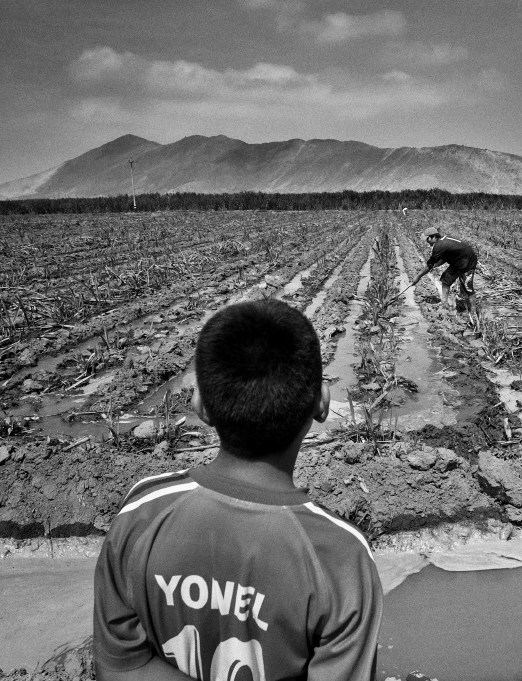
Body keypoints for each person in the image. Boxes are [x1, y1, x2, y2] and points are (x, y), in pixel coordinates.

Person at [93, 299, 383, 681]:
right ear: (322, 403)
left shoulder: (141, 515)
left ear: (201, 405)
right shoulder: (341, 558)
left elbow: (120, 668)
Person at [409, 226, 478, 313]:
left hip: (467, 262)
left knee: (467, 287)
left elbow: (429, 264)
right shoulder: (443, 241)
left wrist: (418, 276)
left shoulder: (439, 246)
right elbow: (444, 257)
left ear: (433, 237)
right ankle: (444, 304)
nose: (427, 242)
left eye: (428, 239)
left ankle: (473, 311)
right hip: (458, 260)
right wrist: (435, 265)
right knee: (446, 279)